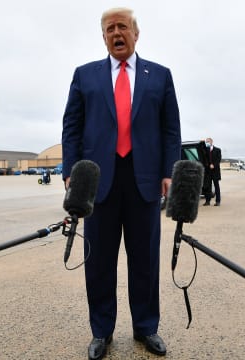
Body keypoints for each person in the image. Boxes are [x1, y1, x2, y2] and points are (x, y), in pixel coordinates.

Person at [61, 7, 181, 360]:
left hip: (144, 180)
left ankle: (146, 327)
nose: (117, 33)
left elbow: (170, 129)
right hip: (98, 182)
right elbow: (72, 127)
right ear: (103, 37)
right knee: (98, 261)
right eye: (110, 28)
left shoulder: (159, 75)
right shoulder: (85, 76)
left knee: (144, 260)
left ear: (135, 33)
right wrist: (71, 170)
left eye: (122, 27)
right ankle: (102, 331)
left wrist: (168, 171)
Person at [203, 137, 222, 206]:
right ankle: (207, 201)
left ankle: (218, 201)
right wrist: (208, 165)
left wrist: (213, 165)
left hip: (215, 171)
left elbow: (218, 159)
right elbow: (204, 160)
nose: (207, 142)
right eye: (206, 142)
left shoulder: (218, 150)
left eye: (208, 141)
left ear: (211, 142)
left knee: (216, 186)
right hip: (208, 172)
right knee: (208, 186)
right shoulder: (205, 150)